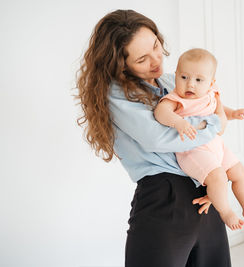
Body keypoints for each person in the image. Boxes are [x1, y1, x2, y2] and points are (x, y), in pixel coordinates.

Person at [76, 9, 231, 267]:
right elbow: (161, 138)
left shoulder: (169, 81)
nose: (157, 60)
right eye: (142, 59)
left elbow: (210, 102)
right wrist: (216, 121)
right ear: (120, 65)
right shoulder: (116, 94)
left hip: (204, 191)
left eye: (156, 46)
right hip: (165, 197)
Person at [154, 48, 244, 231]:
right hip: (193, 151)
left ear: (211, 83)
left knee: (238, 171)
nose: (190, 85)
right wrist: (178, 122)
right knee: (218, 176)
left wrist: (232, 113)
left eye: (198, 80)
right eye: (184, 77)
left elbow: (219, 108)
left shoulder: (211, 94)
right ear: (176, 75)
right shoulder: (176, 98)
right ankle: (225, 212)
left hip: (217, 147)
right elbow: (161, 113)